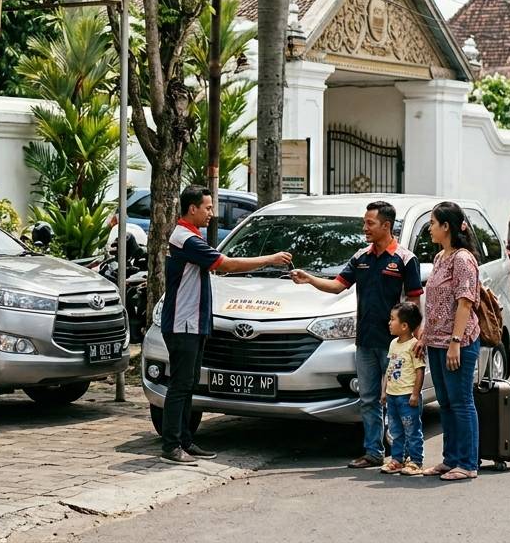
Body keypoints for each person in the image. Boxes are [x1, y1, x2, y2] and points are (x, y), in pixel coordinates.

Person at [159, 185, 292, 465]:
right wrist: (270, 259)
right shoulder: (186, 239)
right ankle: (171, 446)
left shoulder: (191, 237)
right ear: (192, 208)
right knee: (180, 385)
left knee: (189, 383)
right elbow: (226, 265)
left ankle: (184, 440)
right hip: (183, 324)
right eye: (207, 208)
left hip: (194, 323)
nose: (211, 213)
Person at [290, 200, 422, 469]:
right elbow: (338, 285)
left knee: (401, 401)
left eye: (370, 223)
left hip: (396, 346)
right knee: (368, 399)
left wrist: (414, 341)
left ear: (386, 225)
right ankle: (374, 452)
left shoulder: (406, 259)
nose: (365, 228)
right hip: (364, 341)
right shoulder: (360, 257)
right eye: (364, 223)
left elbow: (414, 303)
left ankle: (407, 456)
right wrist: (310, 279)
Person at [420, 202, 481, 482]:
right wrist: (424, 334)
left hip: (459, 342)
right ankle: (450, 459)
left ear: (446, 227)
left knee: (461, 402)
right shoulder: (439, 258)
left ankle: (468, 463)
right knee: (445, 403)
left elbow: (465, 303)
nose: (429, 228)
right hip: (435, 342)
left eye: (433, 223)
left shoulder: (462, 259)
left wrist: (456, 341)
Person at [381, 301, 426, 477]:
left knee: (412, 430)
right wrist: (384, 391)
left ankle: (416, 461)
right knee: (395, 430)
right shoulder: (393, 344)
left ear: (405, 326)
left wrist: (415, 394)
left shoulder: (414, 345)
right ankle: (397, 459)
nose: (389, 322)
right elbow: (389, 368)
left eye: (393, 319)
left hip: (407, 396)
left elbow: (419, 370)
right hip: (392, 396)